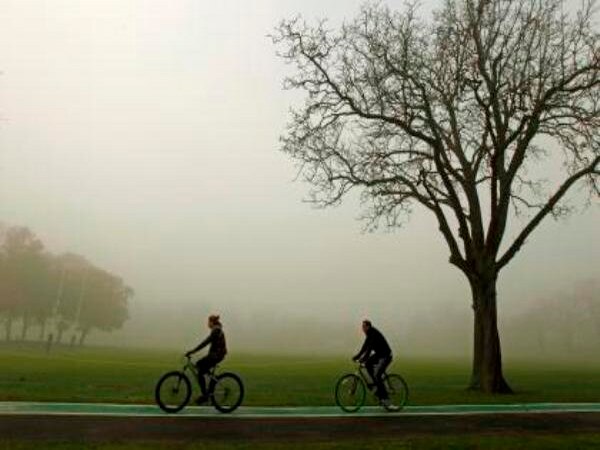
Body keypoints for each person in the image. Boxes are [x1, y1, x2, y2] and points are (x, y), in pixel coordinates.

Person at [186, 314, 228, 405]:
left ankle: (205, 395)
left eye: (208, 322)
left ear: (212, 322)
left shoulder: (216, 330)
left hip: (217, 355)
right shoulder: (216, 329)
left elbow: (205, 342)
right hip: (215, 355)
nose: (207, 324)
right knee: (200, 367)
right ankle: (209, 389)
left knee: (200, 369)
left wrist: (193, 351)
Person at [352, 319, 393, 405]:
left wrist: (363, 358)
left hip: (386, 355)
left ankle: (386, 399)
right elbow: (364, 347)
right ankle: (376, 386)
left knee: (377, 375)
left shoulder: (373, 333)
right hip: (379, 354)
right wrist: (357, 356)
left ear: (368, 326)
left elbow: (369, 348)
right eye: (362, 327)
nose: (362, 329)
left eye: (364, 326)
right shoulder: (369, 335)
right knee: (367, 364)